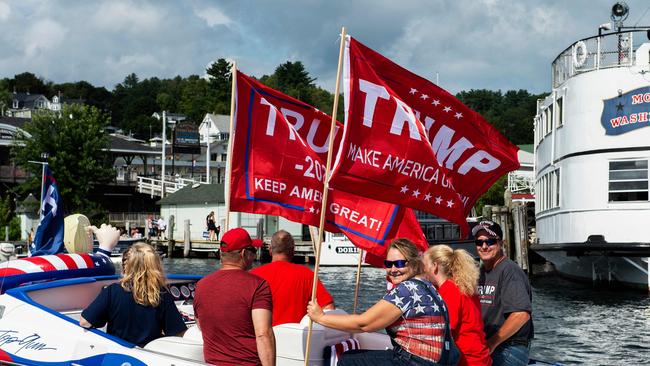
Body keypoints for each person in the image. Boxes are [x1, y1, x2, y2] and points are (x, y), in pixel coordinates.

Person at [307, 238, 458, 366]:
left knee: (346, 360)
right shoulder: (427, 285)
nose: (393, 269)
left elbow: (364, 324)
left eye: (399, 264)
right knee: (355, 354)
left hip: (415, 361)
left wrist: (320, 317)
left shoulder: (407, 289)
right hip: (436, 361)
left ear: (413, 264)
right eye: (388, 264)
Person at [193, 228, 275, 366]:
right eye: (253, 251)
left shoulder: (201, 285)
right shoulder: (258, 285)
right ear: (244, 253)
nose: (254, 256)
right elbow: (263, 334)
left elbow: (201, 325)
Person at [80, 242, 187, 347]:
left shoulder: (113, 291)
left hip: (118, 352)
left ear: (129, 266)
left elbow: (85, 322)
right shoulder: (161, 294)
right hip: (148, 355)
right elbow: (178, 334)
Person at [474, 221, 533, 366]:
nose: (484, 246)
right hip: (488, 345)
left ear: (501, 243)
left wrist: (491, 343)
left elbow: (521, 314)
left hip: (508, 347)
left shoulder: (509, 271)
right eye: (479, 242)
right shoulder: (480, 273)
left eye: (490, 241)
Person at [424, 245, 492, 366]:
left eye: (424, 265)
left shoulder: (449, 290)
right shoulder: (463, 286)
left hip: (466, 360)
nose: (423, 270)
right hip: (479, 357)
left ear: (434, 267)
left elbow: (443, 329)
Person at [251, 230, 335, 326]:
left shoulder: (253, 276)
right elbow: (328, 308)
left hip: (262, 337)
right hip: (296, 338)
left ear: (270, 250)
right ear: (293, 251)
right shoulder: (307, 275)